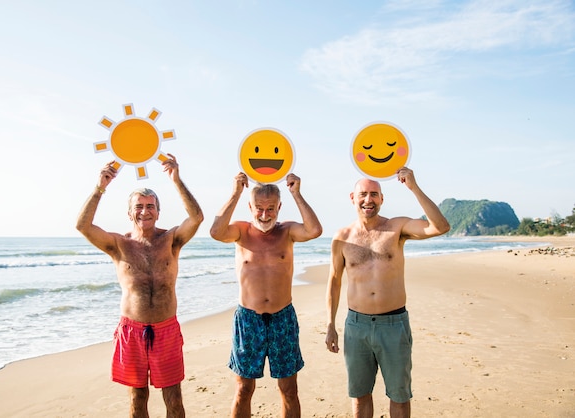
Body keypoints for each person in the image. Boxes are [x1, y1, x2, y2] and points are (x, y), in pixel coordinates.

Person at [76, 155, 203, 418]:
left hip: (166, 329)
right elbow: (83, 226)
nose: (145, 211)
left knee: (174, 399)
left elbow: (197, 217)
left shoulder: (171, 240)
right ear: (129, 212)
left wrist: (177, 180)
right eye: (139, 206)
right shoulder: (118, 244)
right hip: (132, 332)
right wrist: (100, 187)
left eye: (150, 206)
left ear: (158, 211)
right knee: (137, 399)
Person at [325, 167, 450, 418]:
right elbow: (335, 281)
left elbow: (440, 226)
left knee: (399, 395)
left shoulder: (397, 228)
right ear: (352, 198)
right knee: (360, 395)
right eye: (363, 194)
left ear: (382, 199)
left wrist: (413, 186)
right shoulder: (342, 237)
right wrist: (330, 324)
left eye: (374, 194)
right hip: (356, 326)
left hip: (393, 324)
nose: (368, 200)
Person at [210, 172, 323, 418]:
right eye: (259, 208)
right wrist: (236, 192)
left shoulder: (288, 231)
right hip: (248, 319)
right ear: (250, 207)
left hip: (283, 318)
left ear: (279, 207)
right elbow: (216, 232)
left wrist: (296, 193)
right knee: (243, 388)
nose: (264, 214)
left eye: (271, 208)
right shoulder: (240, 231)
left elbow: (314, 230)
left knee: (289, 388)